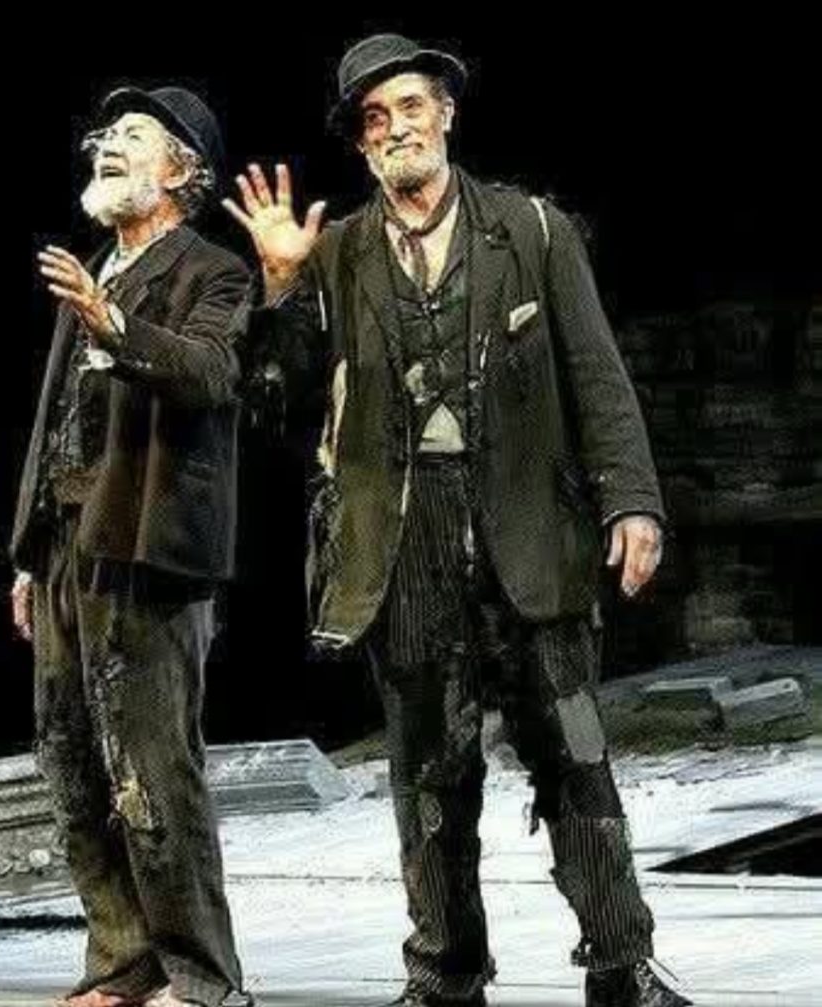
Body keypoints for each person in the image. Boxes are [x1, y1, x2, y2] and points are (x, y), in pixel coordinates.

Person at [225, 33, 690, 1007]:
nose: (397, 128)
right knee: (429, 777)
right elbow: (275, 405)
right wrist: (279, 285)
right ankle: (444, 974)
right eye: (375, 118)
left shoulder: (529, 227)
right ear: (360, 143)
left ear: (446, 113)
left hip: (529, 523)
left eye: (411, 106)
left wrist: (632, 498)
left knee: (575, 757)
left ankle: (621, 965)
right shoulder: (338, 254)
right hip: (405, 539)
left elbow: (595, 370)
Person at [10, 83, 252, 1007]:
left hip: (150, 546)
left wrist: (114, 324)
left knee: (153, 766)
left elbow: (213, 373)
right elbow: (52, 421)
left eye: (136, 135)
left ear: (184, 171)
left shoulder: (211, 271)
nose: (108, 144)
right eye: (106, 133)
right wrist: (27, 550)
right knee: (71, 759)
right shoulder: (94, 267)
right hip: (67, 546)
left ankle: (202, 976)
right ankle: (121, 963)